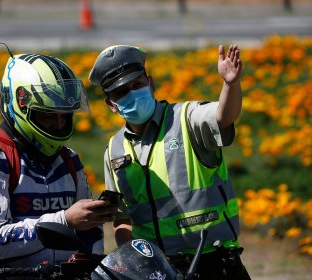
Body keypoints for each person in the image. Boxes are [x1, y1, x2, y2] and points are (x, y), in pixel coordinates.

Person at [0, 52, 117, 279]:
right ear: (20, 104)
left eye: (64, 115)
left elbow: (90, 230)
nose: (58, 124)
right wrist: (64, 219)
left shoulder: (69, 160)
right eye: (48, 115)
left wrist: (88, 261)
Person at [88, 44, 251, 279]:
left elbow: (223, 117)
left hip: (211, 262)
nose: (132, 94)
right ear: (111, 104)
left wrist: (230, 84)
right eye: (121, 92)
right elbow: (122, 219)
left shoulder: (186, 118)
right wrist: (133, 262)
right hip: (157, 270)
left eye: (137, 85)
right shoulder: (113, 149)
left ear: (151, 83)